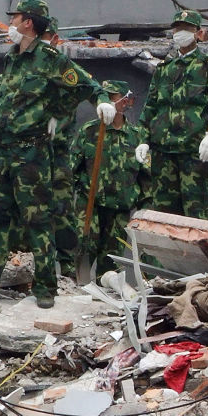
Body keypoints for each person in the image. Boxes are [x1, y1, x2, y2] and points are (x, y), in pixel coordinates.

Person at [0, 0, 115, 309]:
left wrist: (98, 103)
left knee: (38, 221)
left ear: (28, 22)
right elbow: (4, 102)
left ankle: (45, 287)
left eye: (14, 17)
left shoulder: (50, 59)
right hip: (4, 154)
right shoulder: (13, 58)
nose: (11, 23)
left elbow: (86, 85)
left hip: (31, 155)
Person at [137, 9, 208, 219]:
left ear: (198, 33)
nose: (181, 33)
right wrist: (143, 140)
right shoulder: (164, 69)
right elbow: (151, 107)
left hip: (193, 152)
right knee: (163, 216)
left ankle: (194, 253)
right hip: (163, 152)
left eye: (187, 29)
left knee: (194, 216)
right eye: (177, 28)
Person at [72, 80, 150, 279]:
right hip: (90, 203)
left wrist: (141, 205)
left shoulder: (136, 137)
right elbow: (71, 167)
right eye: (103, 97)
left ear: (124, 102)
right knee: (84, 243)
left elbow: (146, 177)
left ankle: (104, 295)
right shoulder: (90, 131)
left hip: (120, 207)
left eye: (111, 97)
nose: (105, 102)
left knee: (111, 259)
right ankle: (77, 286)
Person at [40, 16, 85, 278]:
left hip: (57, 155)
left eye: (47, 37)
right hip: (30, 153)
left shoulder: (63, 69)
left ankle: (67, 267)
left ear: (55, 39)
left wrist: (57, 115)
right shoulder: (28, 67)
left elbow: (80, 90)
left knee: (62, 211)